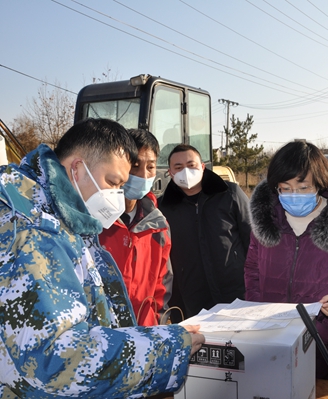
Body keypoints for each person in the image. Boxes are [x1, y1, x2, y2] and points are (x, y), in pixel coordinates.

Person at [0, 118, 204, 398]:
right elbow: (57, 359)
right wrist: (164, 349)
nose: (117, 197)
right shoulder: (31, 231)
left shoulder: (67, 220)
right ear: (77, 168)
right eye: (112, 183)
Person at [244, 141, 328, 384]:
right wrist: (259, 315)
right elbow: (253, 272)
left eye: (303, 187)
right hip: (271, 343)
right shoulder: (267, 220)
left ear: (320, 182)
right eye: (284, 188)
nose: (293, 195)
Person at [159, 144, 251, 320]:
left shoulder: (229, 194)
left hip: (235, 293)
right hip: (190, 298)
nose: (185, 171)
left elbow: (252, 239)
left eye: (191, 165)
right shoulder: (163, 207)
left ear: (202, 166)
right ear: (170, 172)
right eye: (178, 167)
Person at [99, 129, 173, 326]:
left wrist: (158, 323)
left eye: (150, 167)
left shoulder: (158, 225)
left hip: (145, 331)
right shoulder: (96, 220)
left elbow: (162, 285)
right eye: (135, 165)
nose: (143, 175)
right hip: (104, 334)